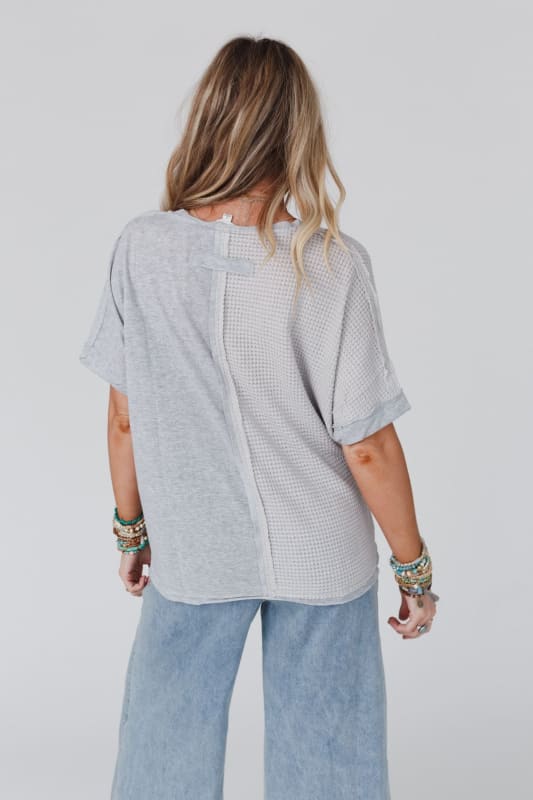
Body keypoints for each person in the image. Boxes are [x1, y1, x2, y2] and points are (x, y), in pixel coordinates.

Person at [79, 35, 439, 800]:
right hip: (321, 552)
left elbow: (123, 416)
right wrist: (413, 568)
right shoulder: (331, 261)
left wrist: (131, 530)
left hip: (195, 546)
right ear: (298, 132)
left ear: (208, 120)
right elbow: (366, 443)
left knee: (163, 743)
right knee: (329, 756)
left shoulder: (142, 249)